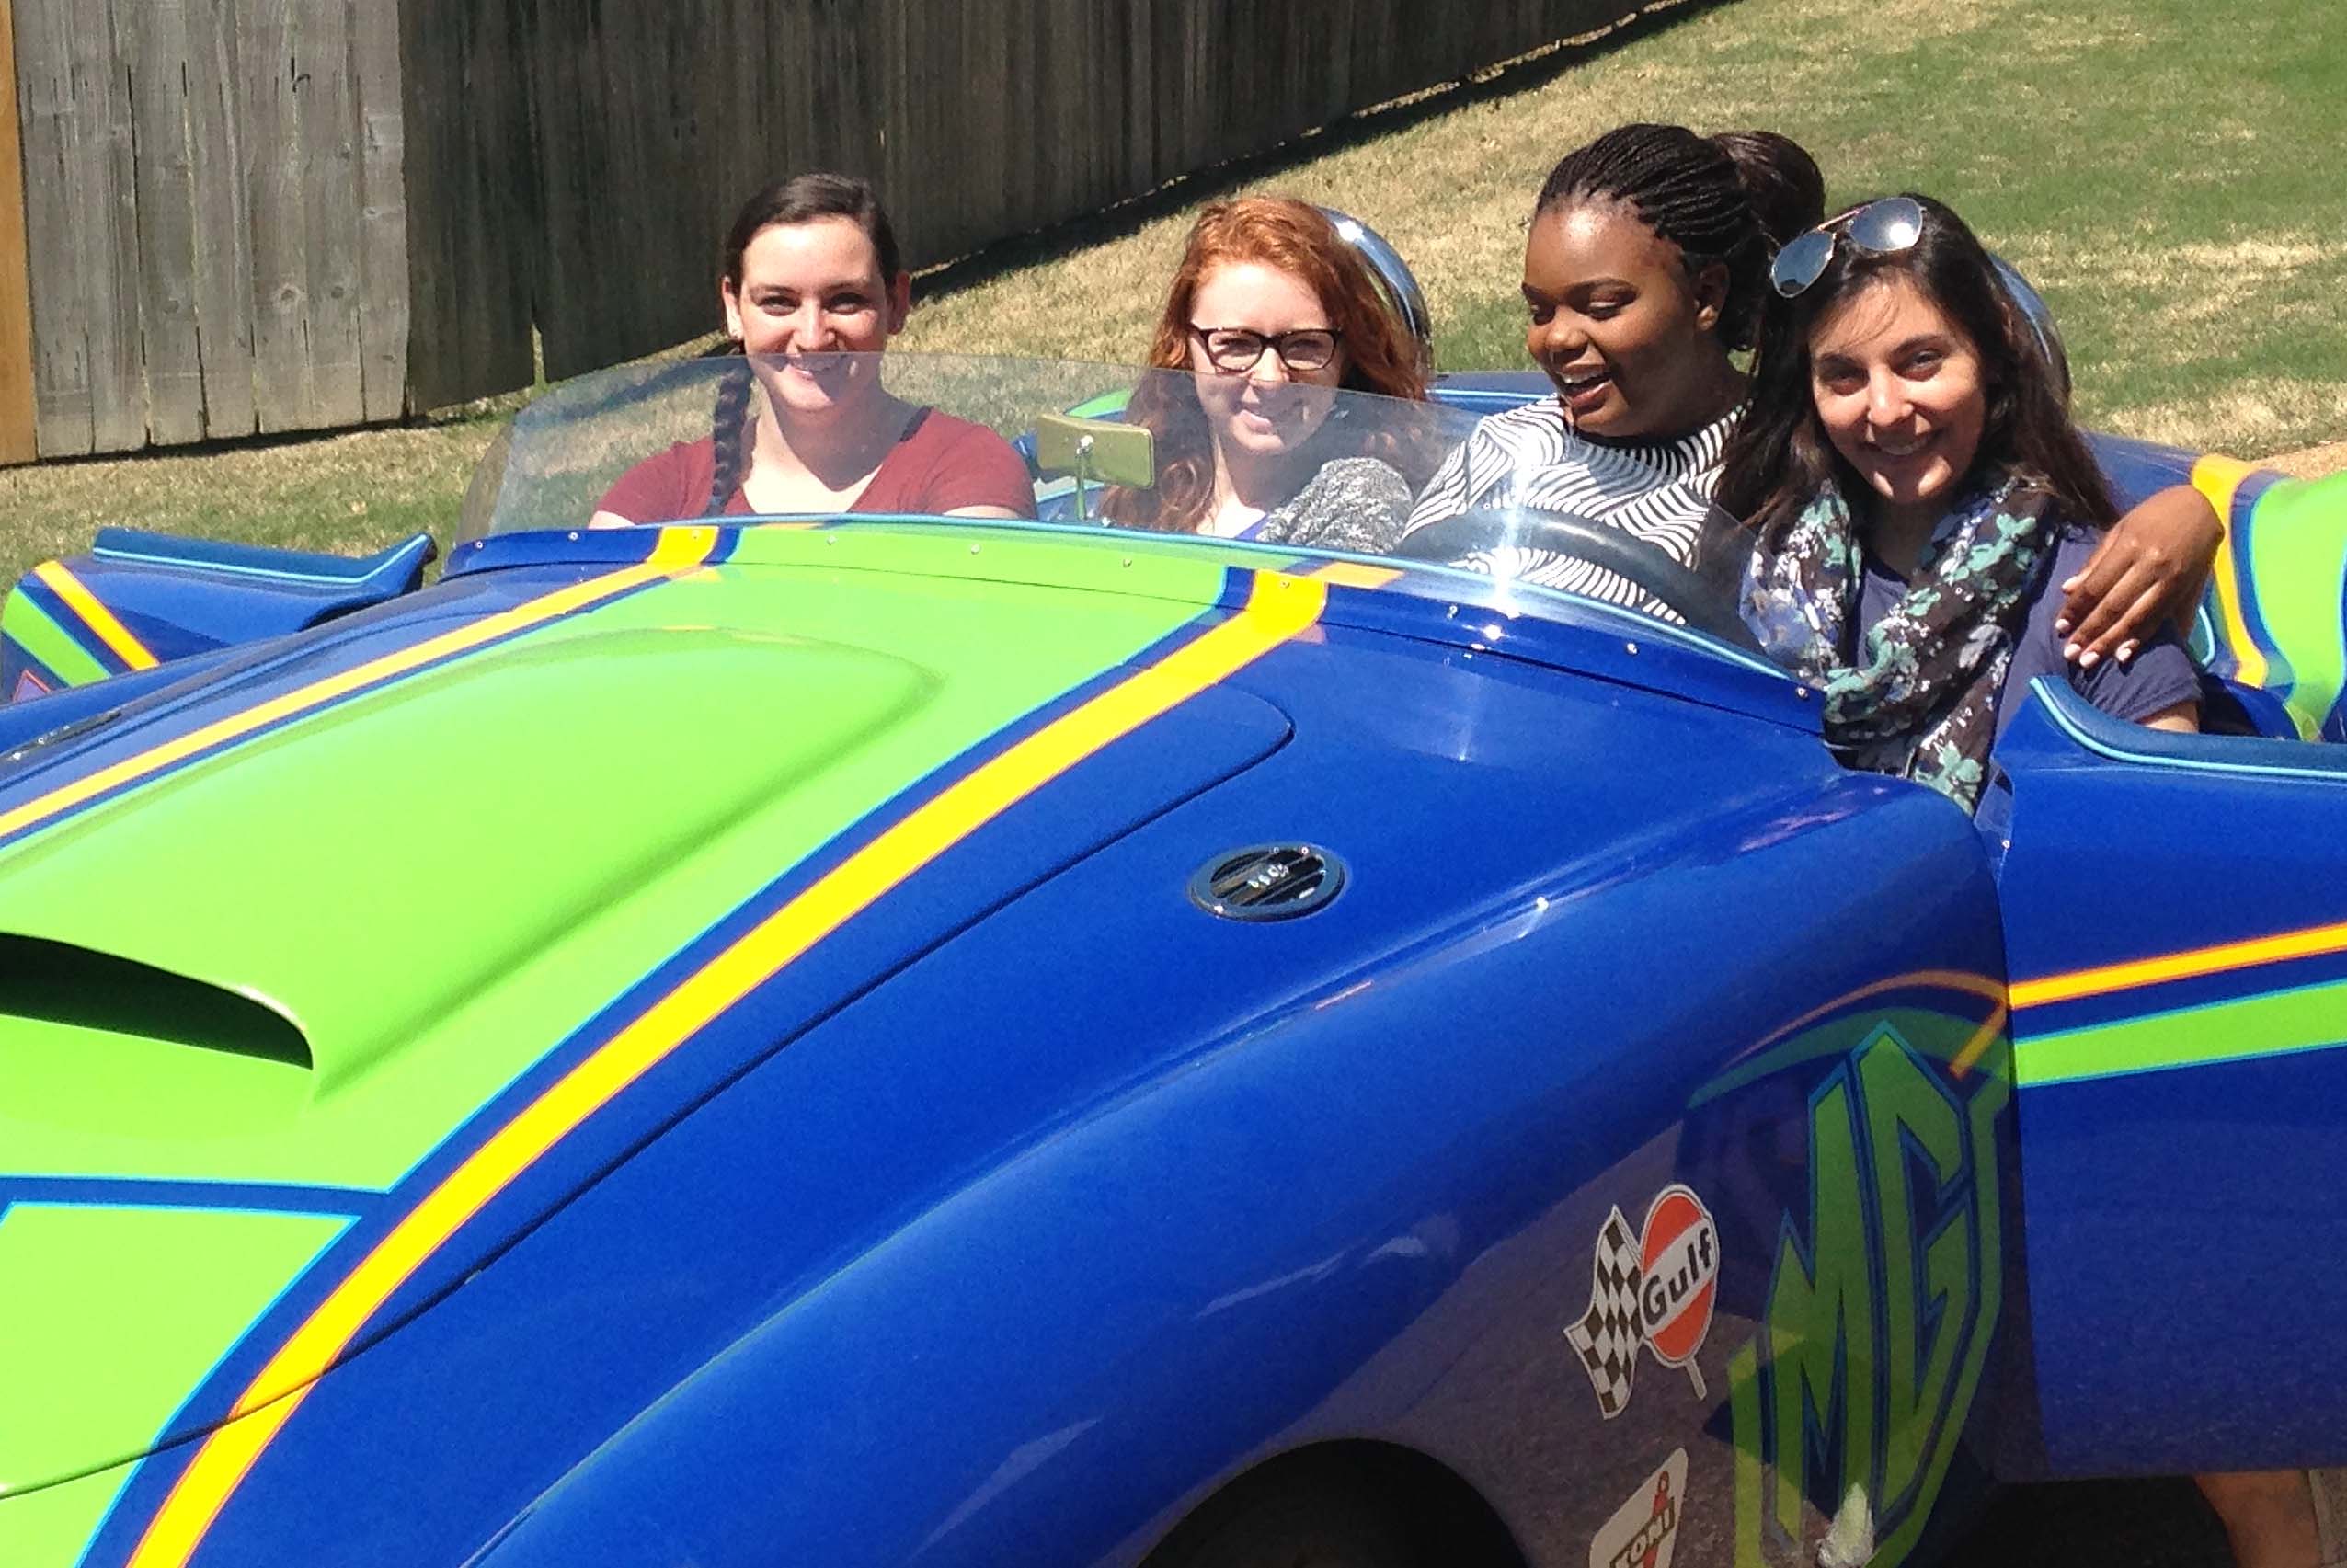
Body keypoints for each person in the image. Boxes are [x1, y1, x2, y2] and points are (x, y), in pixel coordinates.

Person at [1404, 122, 2217, 661]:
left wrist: (2192, 512)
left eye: (1602, 306)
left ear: (1706, 295)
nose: (1557, 339)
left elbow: (1996, 484)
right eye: (1539, 311)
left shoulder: (1791, 458)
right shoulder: (1506, 440)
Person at [1719, 193, 2199, 824]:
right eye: (1844, 375)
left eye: (1920, 361)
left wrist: (2196, 509)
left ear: (1993, 350)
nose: (1885, 408)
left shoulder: (2093, 600)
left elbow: (2167, 860)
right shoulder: (1757, 577)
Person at [593, 173, 1033, 526]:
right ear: (733, 308)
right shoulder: (655, 499)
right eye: (778, 302)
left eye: (845, 300)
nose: (812, 336)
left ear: (897, 303)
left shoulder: (970, 471)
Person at [1097, 197, 1429, 552]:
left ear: (1347, 357)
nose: (1271, 378)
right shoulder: (1155, 475)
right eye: (1237, 344)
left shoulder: (1361, 496)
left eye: (1305, 346)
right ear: (1185, 349)